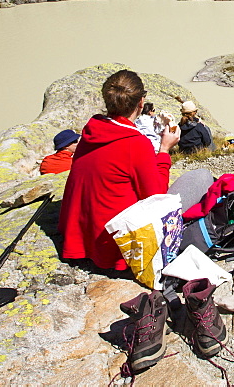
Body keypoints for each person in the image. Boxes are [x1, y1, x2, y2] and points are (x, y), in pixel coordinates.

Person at [58, 69, 180, 271]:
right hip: (116, 249)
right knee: (200, 178)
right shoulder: (135, 143)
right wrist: (164, 150)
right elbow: (156, 196)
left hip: (80, 240)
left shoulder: (92, 129)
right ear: (141, 102)